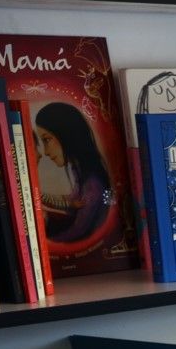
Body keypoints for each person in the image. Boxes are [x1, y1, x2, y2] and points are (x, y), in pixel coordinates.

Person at [33, 102, 113, 245]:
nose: (45, 152)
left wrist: (44, 237)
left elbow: (77, 231)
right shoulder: (82, 174)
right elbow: (72, 202)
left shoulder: (93, 185)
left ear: (65, 133)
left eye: (47, 140)